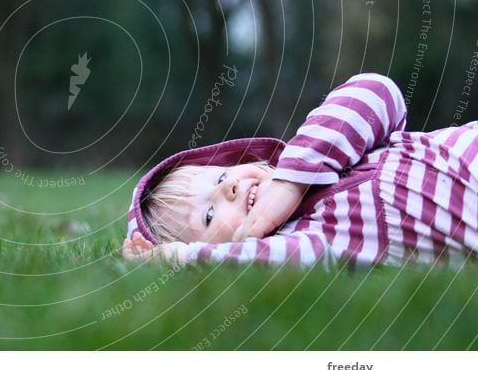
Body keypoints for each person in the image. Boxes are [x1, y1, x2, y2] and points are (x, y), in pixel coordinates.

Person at [122, 73, 478, 268]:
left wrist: (291, 181)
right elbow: (264, 261)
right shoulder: (304, 240)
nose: (228, 187)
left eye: (219, 176)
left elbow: (379, 92)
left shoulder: (324, 150)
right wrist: (178, 258)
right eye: (210, 215)